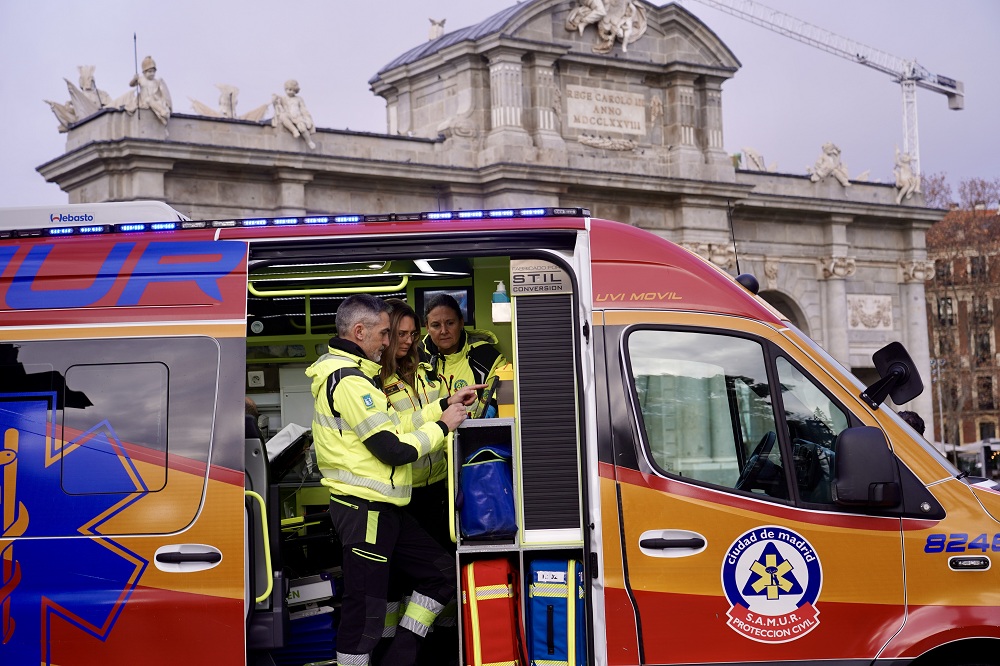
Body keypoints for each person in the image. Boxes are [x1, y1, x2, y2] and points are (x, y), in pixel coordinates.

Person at [305, 294, 480, 666]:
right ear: (358, 331)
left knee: (441, 573)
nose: (389, 342)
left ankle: (400, 656)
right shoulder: (350, 381)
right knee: (365, 612)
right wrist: (443, 426)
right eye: (384, 333)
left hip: (388, 510)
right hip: (364, 509)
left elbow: (399, 426)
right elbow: (394, 450)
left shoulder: (359, 377)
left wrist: (444, 404)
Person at [379, 298, 456, 663]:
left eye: (412, 333)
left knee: (436, 575)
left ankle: (432, 649)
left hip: (438, 487)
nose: (408, 341)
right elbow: (393, 435)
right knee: (397, 582)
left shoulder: (426, 371)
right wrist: (441, 419)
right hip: (402, 492)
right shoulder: (374, 380)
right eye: (400, 334)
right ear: (385, 333)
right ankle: (392, 648)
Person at [421, 293, 506, 411]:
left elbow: (501, 394)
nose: (444, 331)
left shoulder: (486, 357)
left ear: (461, 323)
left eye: (450, 323)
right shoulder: (415, 358)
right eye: (436, 325)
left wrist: (490, 408)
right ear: (427, 328)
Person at [125, 56, 172, 125]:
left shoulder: (156, 81)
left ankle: (164, 115)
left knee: (160, 102)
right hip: (144, 101)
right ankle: (162, 112)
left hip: (155, 100)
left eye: (153, 72)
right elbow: (131, 84)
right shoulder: (141, 79)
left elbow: (162, 93)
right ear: (144, 72)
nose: (152, 74)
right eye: (150, 72)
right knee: (148, 100)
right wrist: (134, 79)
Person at [272, 79, 316, 149]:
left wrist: (308, 119)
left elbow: (303, 110)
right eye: (288, 89)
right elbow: (277, 105)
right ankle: (294, 130)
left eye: (292, 90)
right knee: (283, 116)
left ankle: (309, 141)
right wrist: (275, 99)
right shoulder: (283, 98)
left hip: (298, 117)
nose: (290, 91)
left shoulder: (299, 99)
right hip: (288, 115)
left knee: (302, 127)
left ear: (295, 91)